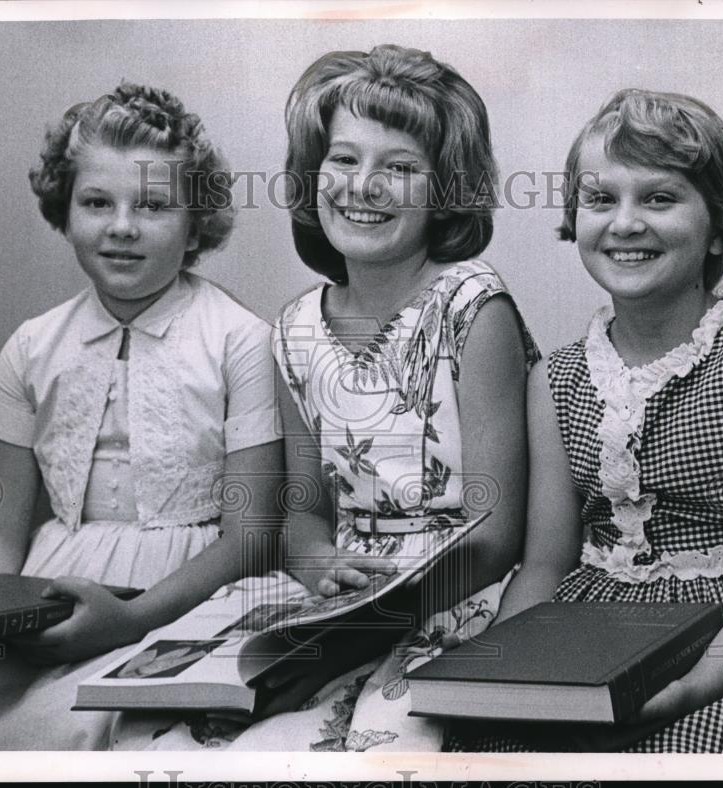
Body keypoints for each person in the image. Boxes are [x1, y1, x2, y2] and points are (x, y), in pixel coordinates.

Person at [125, 43, 539, 752]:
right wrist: (320, 568)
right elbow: (304, 515)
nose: (365, 185)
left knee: (374, 743)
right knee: (165, 732)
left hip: (456, 598)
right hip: (336, 604)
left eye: (401, 167)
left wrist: (357, 633)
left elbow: (496, 535)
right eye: (344, 160)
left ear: (445, 191)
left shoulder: (473, 305)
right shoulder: (292, 331)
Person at [0, 82, 283, 750]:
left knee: (105, 736)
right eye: (97, 202)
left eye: (153, 205)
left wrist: (129, 621)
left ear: (195, 223)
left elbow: (250, 538)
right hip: (46, 590)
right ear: (64, 211)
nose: (121, 226)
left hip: (192, 593)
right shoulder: (33, 346)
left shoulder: (240, 340)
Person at [446, 89, 723, 753]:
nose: (625, 223)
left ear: (721, 219)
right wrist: (491, 675)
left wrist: (694, 685)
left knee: (698, 744)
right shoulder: (557, 379)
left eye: (659, 198)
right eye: (601, 200)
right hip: (587, 630)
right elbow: (544, 565)